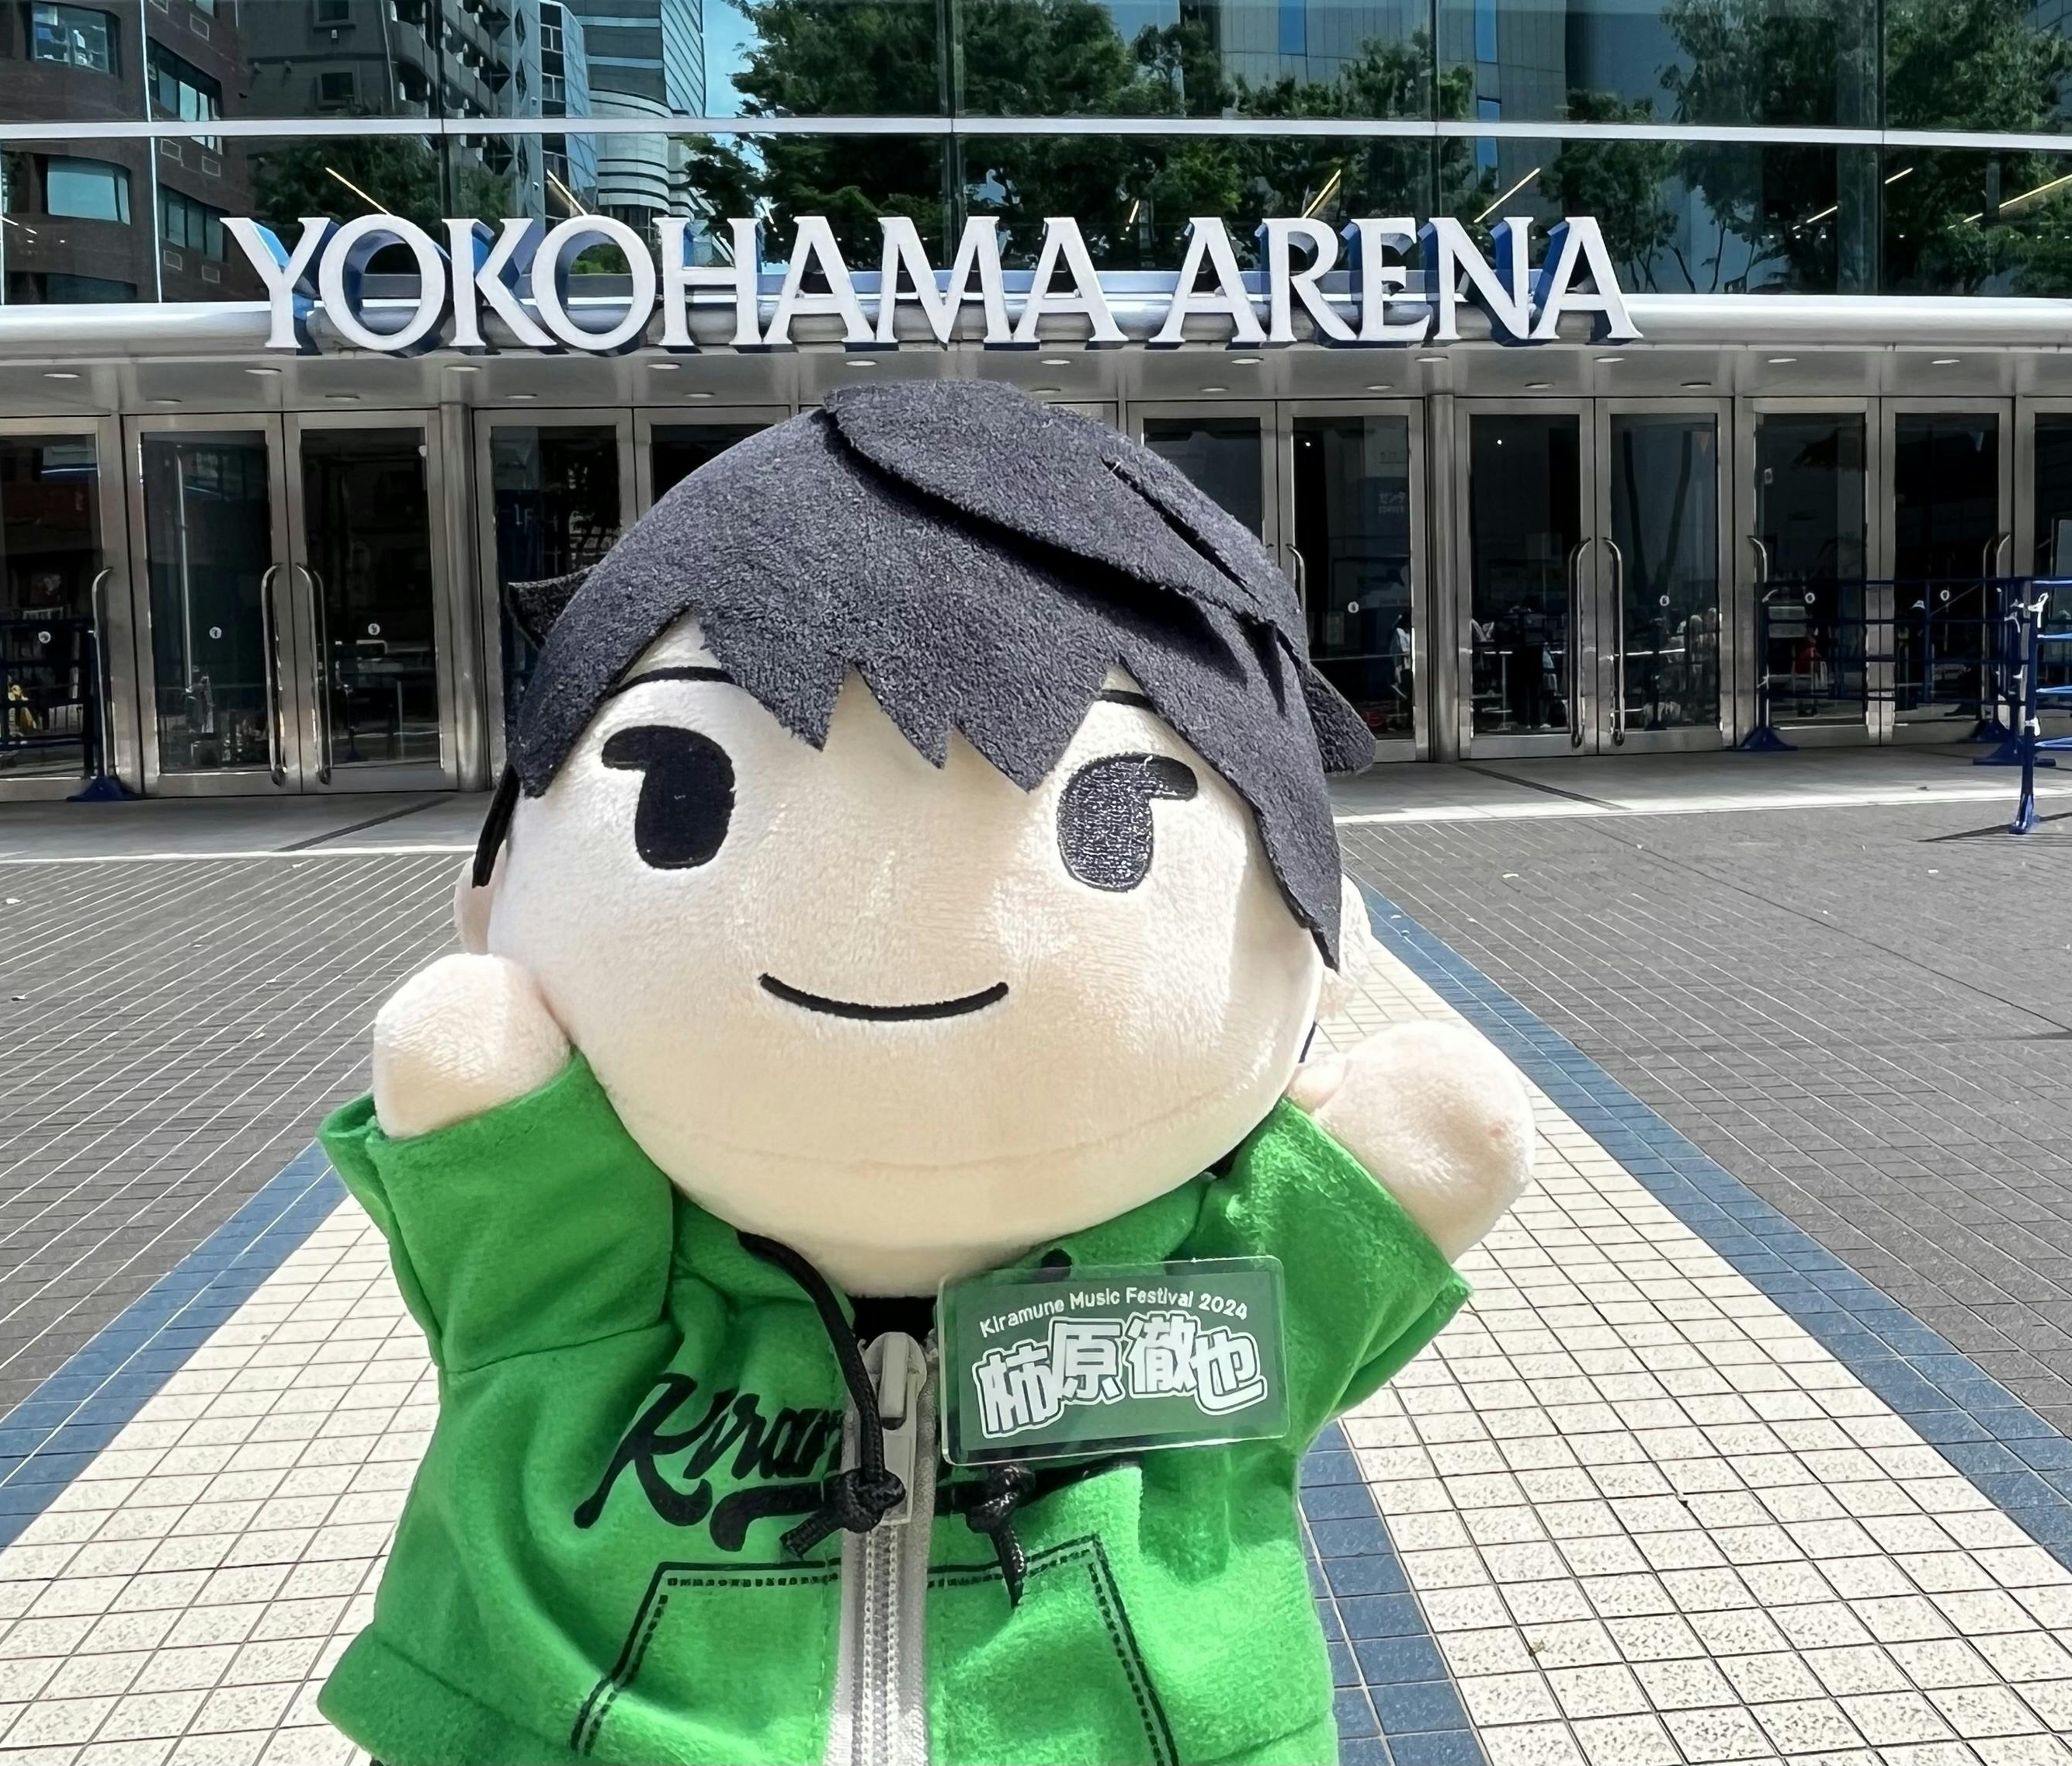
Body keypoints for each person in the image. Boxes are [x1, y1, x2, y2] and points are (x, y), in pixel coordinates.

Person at [319, 381, 1533, 1766]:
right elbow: (505, 1192)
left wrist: (1381, 1174)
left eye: (1117, 824)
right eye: (673, 796)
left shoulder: (1199, 1294)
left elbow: (1348, 1230)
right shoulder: (577, 1272)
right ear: (496, 894)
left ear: (1321, 926)